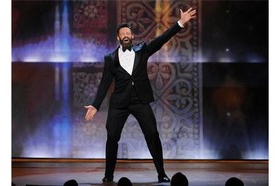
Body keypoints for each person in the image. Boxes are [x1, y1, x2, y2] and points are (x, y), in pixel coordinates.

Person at [84, 7, 196, 183]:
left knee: (152, 134)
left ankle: (161, 173)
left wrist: (180, 23)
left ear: (132, 36)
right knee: (112, 137)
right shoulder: (110, 58)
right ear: (118, 38)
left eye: (128, 32)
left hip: (140, 100)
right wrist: (95, 105)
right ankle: (108, 175)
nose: (126, 35)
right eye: (123, 33)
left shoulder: (142, 49)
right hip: (119, 103)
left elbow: (160, 41)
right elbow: (105, 83)